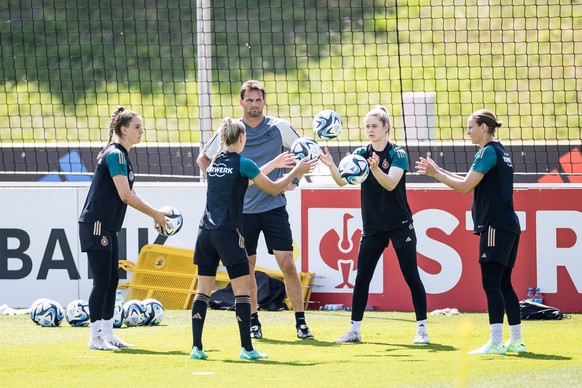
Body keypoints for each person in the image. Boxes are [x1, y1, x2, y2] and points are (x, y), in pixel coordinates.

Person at [196, 80, 315, 340]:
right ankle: (253, 320)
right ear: (241, 102)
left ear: (264, 101)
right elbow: (203, 158)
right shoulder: (231, 129)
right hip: (242, 213)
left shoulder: (279, 127)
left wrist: (294, 181)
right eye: (249, 100)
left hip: (273, 208)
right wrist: (223, 183)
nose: (254, 104)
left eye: (258, 100)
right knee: (248, 268)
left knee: (288, 264)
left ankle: (301, 322)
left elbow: (305, 153)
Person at [415, 109, 525, 355]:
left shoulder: (487, 152)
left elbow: (464, 187)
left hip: (495, 226)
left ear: (484, 127)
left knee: (491, 284)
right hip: (509, 224)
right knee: (504, 284)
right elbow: (469, 180)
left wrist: (435, 173)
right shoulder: (500, 151)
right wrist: (438, 171)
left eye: (470, 127)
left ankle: (496, 342)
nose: (467, 132)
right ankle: (517, 341)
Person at [319, 105, 429, 345]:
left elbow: (390, 184)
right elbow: (342, 182)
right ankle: (354, 331)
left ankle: (422, 329)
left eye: (374, 126)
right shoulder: (360, 153)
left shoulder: (398, 153)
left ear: (386, 128)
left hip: (400, 224)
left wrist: (375, 168)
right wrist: (331, 166)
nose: (369, 130)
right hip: (373, 227)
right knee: (362, 278)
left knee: (411, 275)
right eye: (367, 126)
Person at [79, 106, 169, 351]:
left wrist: (155, 212)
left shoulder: (121, 155)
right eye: (137, 127)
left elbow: (130, 193)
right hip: (96, 224)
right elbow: (125, 196)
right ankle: (95, 338)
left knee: (111, 280)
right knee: (101, 281)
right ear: (124, 129)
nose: (142, 131)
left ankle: (108, 335)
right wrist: (155, 213)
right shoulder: (116, 154)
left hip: (108, 226)